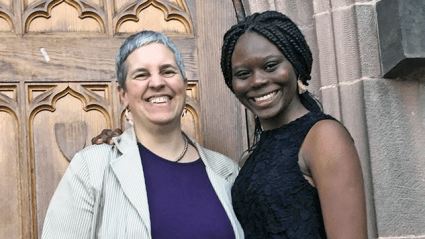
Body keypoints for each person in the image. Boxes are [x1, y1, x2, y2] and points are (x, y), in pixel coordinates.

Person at [93, 11, 367, 239]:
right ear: (233, 84)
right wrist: (130, 141)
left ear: (295, 64)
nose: (258, 81)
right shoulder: (252, 157)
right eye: (243, 74)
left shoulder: (324, 137)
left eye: (271, 66)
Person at [42, 30, 244, 239]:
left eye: (167, 71)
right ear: (123, 94)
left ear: (184, 85)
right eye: (141, 74)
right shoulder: (91, 168)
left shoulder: (228, 172)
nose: (156, 83)